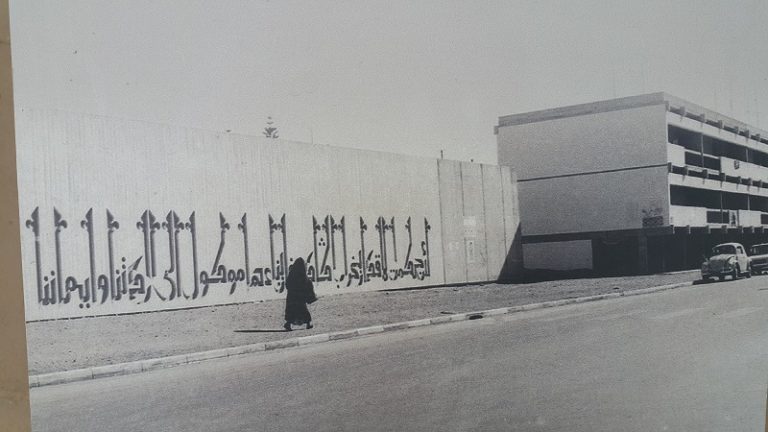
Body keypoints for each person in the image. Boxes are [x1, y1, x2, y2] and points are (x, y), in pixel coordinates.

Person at [281, 258, 316, 331]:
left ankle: (288, 324)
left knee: (291, 312)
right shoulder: (303, 277)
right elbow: (306, 286)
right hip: (300, 299)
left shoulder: (291, 275)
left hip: (291, 298)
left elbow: (287, 285)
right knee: (303, 311)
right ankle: (308, 324)